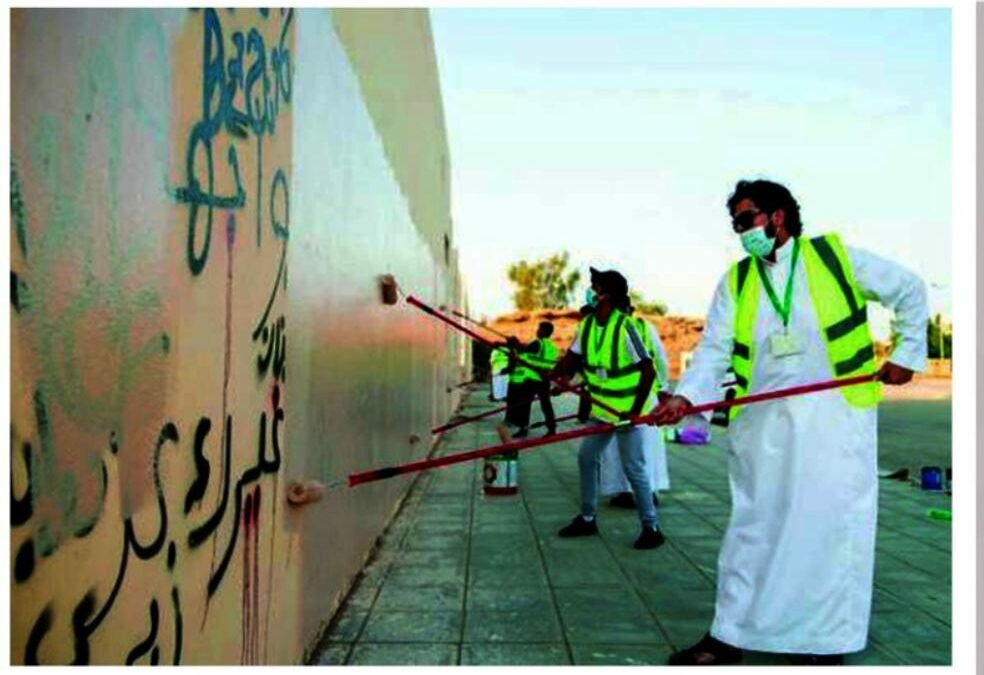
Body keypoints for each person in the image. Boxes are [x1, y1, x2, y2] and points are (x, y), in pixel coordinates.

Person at [652, 179, 928, 665]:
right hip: (762, 425)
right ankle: (728, 635)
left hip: (835, 422)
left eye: (746, 219)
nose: (740, 232)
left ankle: (823, 646)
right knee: (752, 528)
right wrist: (685, 398)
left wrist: (907, 353)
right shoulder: (736, 281)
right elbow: (714, 352)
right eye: (736, 224)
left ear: (778, 216)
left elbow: (909, 289)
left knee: (827, 528)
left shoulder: (834, 257)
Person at [550, 268, 665, 549]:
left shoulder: (625, 327)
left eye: (594, 286)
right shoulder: (587, 325)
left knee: (634, 468)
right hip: (601, 412)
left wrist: (635, 412)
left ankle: (651, 527)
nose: (590, 290)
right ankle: (588, 518)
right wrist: (555, 374)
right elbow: (572, 358)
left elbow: (648, 371)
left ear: (606, 295)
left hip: (625, 413)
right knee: (587, 459)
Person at [603, 304, 672, 508]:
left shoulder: (643, 327)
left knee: (645, 446)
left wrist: (663, 386)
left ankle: (648, 491)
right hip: (618, 398)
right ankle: (624, 491)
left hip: (643, 397)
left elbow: (659, 359)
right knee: (618, 447)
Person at [504, 324, 559, 438]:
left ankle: (523, 429)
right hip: (544, 379)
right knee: (546, 404)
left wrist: (513, 344)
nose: (537, 331)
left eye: (539, 329)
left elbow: (522, 352)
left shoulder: (537, 343)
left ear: (543, 331)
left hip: (532, 380)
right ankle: (552, 429)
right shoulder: (552, 347)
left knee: (525, 405)